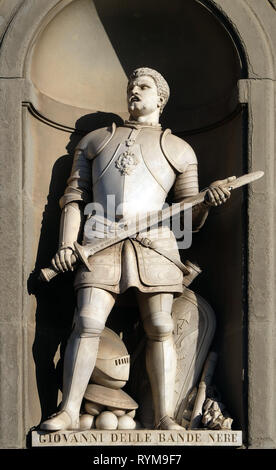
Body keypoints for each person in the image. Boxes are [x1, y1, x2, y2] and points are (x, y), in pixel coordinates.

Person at [41, 67, 231, 431]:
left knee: (160, 325)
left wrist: (207, 202)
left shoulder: (180, 149)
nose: (134, 90)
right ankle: (68, 410)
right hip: (100, 239)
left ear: (160, 97)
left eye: (143, 86)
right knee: (87, 321)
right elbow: (74, 197)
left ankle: (163, 416)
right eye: (131, 85)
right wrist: (66, 244)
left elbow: (188, 219)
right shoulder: (96, 140)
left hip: (155, 243)